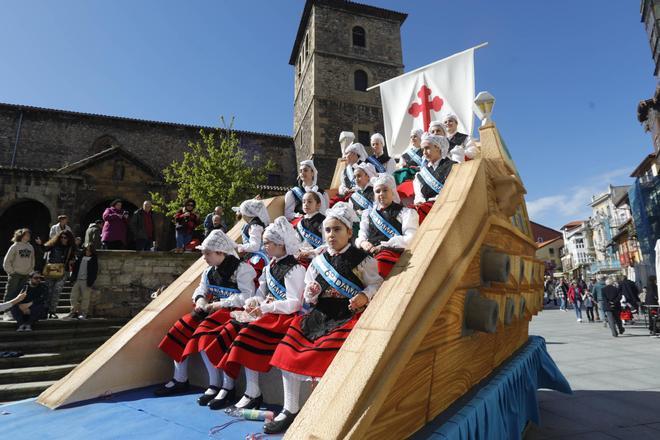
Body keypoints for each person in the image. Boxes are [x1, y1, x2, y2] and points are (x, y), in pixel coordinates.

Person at [268, 203, 383, 434]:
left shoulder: (362, 259)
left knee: (326, 360)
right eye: (328, 230)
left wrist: (364, 295)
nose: (331, 235)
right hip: (320, 314)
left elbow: (377, 283)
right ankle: (290, 409)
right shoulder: (318, 261)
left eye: (337, 229)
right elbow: (309, 298)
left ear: (350, 232)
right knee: (286, 351)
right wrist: (311, 294)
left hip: (346, 315)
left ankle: (323, 412)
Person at [155, 229, 256, 409]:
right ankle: (180, 378)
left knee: (206, 337)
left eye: (207, 253)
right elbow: (201, 289)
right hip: (212, 311)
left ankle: (222, 385)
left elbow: (247, 297)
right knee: (180, 327)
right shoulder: (209, 271)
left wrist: (218, 304)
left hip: (233, 313)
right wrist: (200, 299)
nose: (204, 257)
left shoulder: (243, 269)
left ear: (220, 253)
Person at [217, 217, 306, 411]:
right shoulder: (269, 267)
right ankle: (244, 389)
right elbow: (260, 293)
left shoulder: (295, 268)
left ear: (280, 244)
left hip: (285, 317)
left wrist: (265, 308)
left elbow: (294, 303)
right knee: (234, 329)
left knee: (247, 334)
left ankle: (253, 391)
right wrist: (253, 302)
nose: (264, 246)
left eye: (267, 243)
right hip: (270, 312)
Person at [356, 174, 419, 278]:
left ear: (392, 191)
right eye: (377, 191)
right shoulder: (368, 214)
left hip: (391, 254)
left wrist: (386, 245)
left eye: (385, 190)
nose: (381, 194)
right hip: (369, 253)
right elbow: (362, 234)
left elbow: (411, 238)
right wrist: (363, 243)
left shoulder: (406, 212)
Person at [412, 133, 456, 223]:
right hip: (426, 207)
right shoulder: (421, 174)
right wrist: (420, 202)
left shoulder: (453, 166)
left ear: (437, 147)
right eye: (422, 149)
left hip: (445, 206)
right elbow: (418, 195)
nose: (424, 152)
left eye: (427, 148)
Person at [234, 199, 271, 282]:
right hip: (255, 255)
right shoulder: (253, 223)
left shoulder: (255, 225)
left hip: (259, 258)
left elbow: (255, 246)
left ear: (246, 213)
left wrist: (240, 247)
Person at [42, 230, 76, 319]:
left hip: (63, 271)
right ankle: (44, 311)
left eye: (65, 237)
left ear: (69, 238)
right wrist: (40, 244)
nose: (63, 239)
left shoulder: (71, 248)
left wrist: (72, 261)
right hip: (51, 270)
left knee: (57, 291)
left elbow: (74, 257)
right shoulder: (54, 244)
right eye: (61, 237)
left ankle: (52, 311)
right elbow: (44, 248)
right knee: (48, 291)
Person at [3, 229, 35, 305]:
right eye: (26, 235)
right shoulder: (15, 246)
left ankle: (16, 311)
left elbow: (32, 260)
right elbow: (7, 261)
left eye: (29, 235)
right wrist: (11, 271)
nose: (28, 236)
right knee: (10, 292)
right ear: (21, 235)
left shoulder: (30, 247)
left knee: (20, 294)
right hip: (15, 274)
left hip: (26, 274)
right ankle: (6, 311)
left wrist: (31, 270)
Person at [293, 191, 326, 264]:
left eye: (309, 202)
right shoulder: (300, 223)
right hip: (301, 258)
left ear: (318, 205)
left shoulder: (324, 221)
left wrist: (311, 253)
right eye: (303, 202)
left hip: (317, 260)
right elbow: (296, 241)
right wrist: (298, 252)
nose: (306, 204)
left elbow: (326, 243)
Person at [67, 245, 98, 319]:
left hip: (86, 281)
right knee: (73, 297)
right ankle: (73, 311)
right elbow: (75, 269)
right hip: (77, 280)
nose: (87, 252)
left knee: (85, 298)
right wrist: (72, 278)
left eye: (89, 250)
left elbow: (94, 272)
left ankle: (84, 313)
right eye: (86, 250)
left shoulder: (93, 259)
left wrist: (91, 281)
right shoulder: (80, 258)